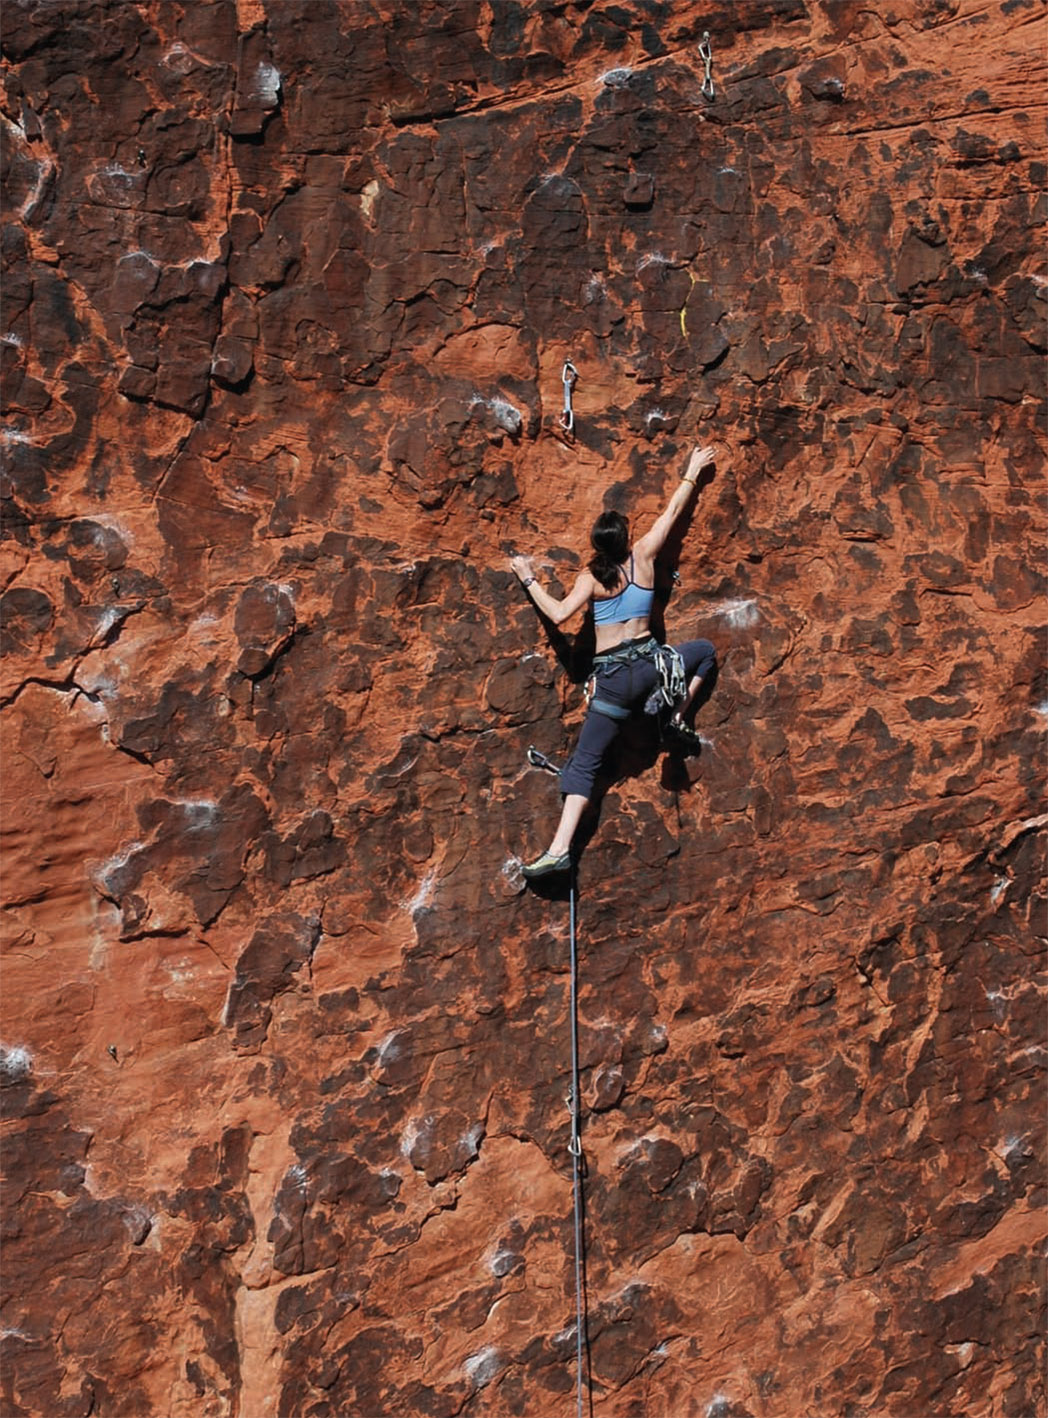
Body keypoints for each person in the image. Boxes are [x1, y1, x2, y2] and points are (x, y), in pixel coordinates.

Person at [510, 443, 721, 878]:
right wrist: (692, 471)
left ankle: (559, 849)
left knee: (586, 763)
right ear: (626, 539)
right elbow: (673, 512)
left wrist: (528, 577)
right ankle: (677, 717)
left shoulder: (592, 577)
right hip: (651, 670)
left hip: (612, 684)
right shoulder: (643, 558)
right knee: (703, 653)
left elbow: (558, 614)